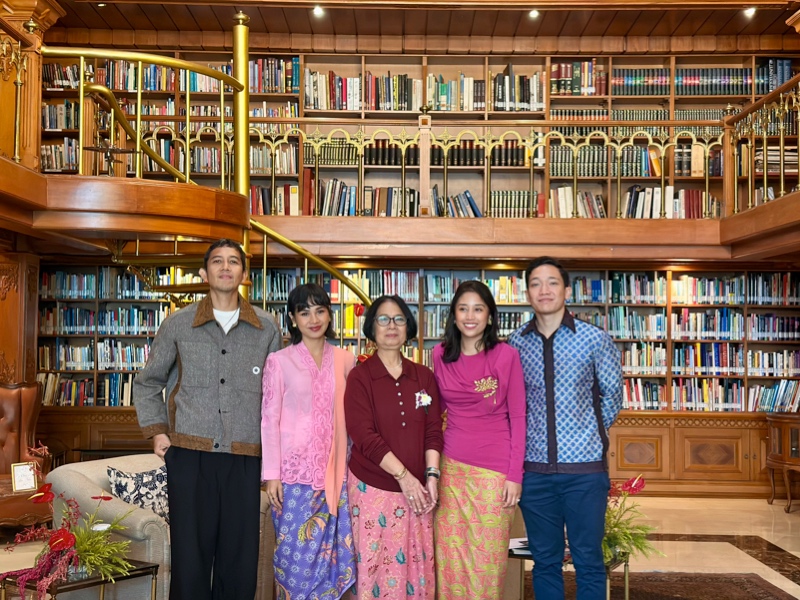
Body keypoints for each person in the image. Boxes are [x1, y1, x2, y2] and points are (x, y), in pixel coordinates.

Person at [133, 238, 282, 600]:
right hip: (189, 455)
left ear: (244, 275)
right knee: (190, 557)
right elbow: (148, 380)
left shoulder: (268, 327)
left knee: (239, 558)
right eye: (218, 261)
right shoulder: (178, 324)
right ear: (204, 272)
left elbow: (278, 396)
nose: (226, 267)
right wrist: (156, 433)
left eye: (234, 262)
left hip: (245, 457)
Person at [508, 256, 623, 600]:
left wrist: (589, 433)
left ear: (567, 290)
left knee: (588, 560)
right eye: (535, 283)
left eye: (552, 282)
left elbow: (613, 394)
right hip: (535, 473)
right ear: (527, 293)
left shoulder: (594, 339)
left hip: (585, 473)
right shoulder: (514, 344)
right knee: (544, 561)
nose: (544, 290)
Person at [261, 283, 357, 599]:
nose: (313, 319)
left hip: (337, 477)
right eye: (304, 312)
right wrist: (271, 474)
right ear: (292, 318)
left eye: (320, 310)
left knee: (334, 563)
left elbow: (355, 418)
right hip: (293, 477)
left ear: (330, 314)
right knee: (293, 560)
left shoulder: (347, 359)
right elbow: (269, 419)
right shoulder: (279, 360)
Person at [344, 295, 443, 600]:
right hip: (373, 489)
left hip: (418, 493)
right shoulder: (361, 377)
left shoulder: (423, 377)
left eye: (399, 319)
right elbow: (364, 435)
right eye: (383, 319)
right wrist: (404, 476)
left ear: (408, 327)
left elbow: (432, 431)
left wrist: (431, 476)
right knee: (376, 571)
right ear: (371, 328)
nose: (392, 325)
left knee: (417, 569)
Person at [432, 280, 526, 599]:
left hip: (494, 473)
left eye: (478, 308)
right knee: (450, 559)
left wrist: (515, 475)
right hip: (451, 470)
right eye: (463, 308)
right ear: (454, 315)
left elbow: (519, 417)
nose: (470, 316)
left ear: (489, 315)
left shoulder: (506, 355)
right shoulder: (440, 355)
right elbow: (436, 411)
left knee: (486, 561)